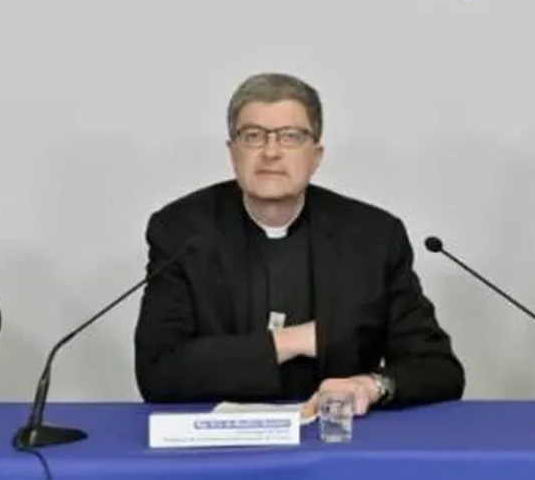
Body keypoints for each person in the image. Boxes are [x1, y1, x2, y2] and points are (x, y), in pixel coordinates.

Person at [133, 72, 464, 414]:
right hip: (215, 440)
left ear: (316, 156)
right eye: (253, 136)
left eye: (290, 137)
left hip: (339, 436)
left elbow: (439, 369)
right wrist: (291, 341)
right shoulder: (181, 231)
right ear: (233, 153)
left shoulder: (373, 237)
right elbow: (157, 373)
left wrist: (372, 386)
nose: (271, 152)